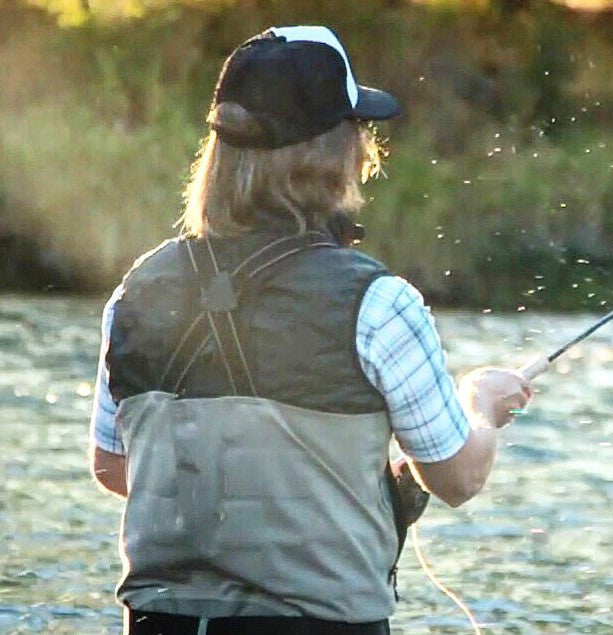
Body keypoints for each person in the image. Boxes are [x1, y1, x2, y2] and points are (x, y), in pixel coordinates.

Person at [88, 26, 532, 635]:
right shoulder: (377, 304)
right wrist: (479, 404)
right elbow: (458, 477)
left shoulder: (135, 291)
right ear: (336, 154)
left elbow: (114, 467)